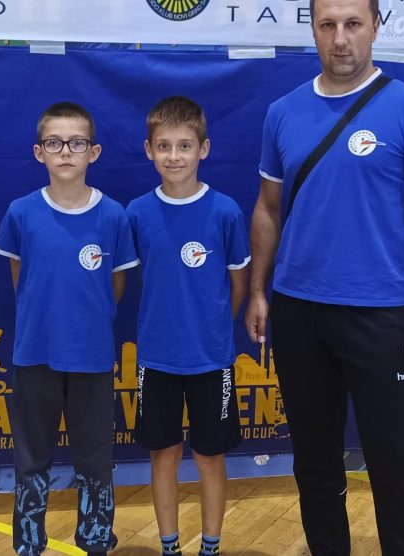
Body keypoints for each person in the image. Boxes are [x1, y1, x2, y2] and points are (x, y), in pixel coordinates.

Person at [245, 0, 404, 554]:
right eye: (328, 25)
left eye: (353, 24)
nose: (340, 38)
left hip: (380, 316)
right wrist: (258, 290)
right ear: (314, 30)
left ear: (375, 27)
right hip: (298, 312)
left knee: (396, 465)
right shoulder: (283, 112)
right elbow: (267, 208)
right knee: (315, 463)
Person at [0, 101, 138, 556]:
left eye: (76, 142)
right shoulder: (21, 212)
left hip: (92, 356)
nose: (66, 152)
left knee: (95, 456)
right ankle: (29, 543)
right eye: (54, 143)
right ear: (40, 152)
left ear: (93, 152)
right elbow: (21, 277)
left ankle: (95, 539)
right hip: (34, 353)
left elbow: (115, 286)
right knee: (31, 456)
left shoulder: (113, 215)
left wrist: (85, 321)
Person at [125, 96, 249, 556]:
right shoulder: (136, 213)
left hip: (211, 359)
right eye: (164, 146)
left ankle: (210, 546)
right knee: (164, 454)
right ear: (149, 150)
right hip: (156, 357)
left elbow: (237, 284)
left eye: (184, 145)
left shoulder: (225, 211)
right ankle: (169, 547)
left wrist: (209, 326)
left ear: (204, 149)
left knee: (210, 456)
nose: (174, 156)